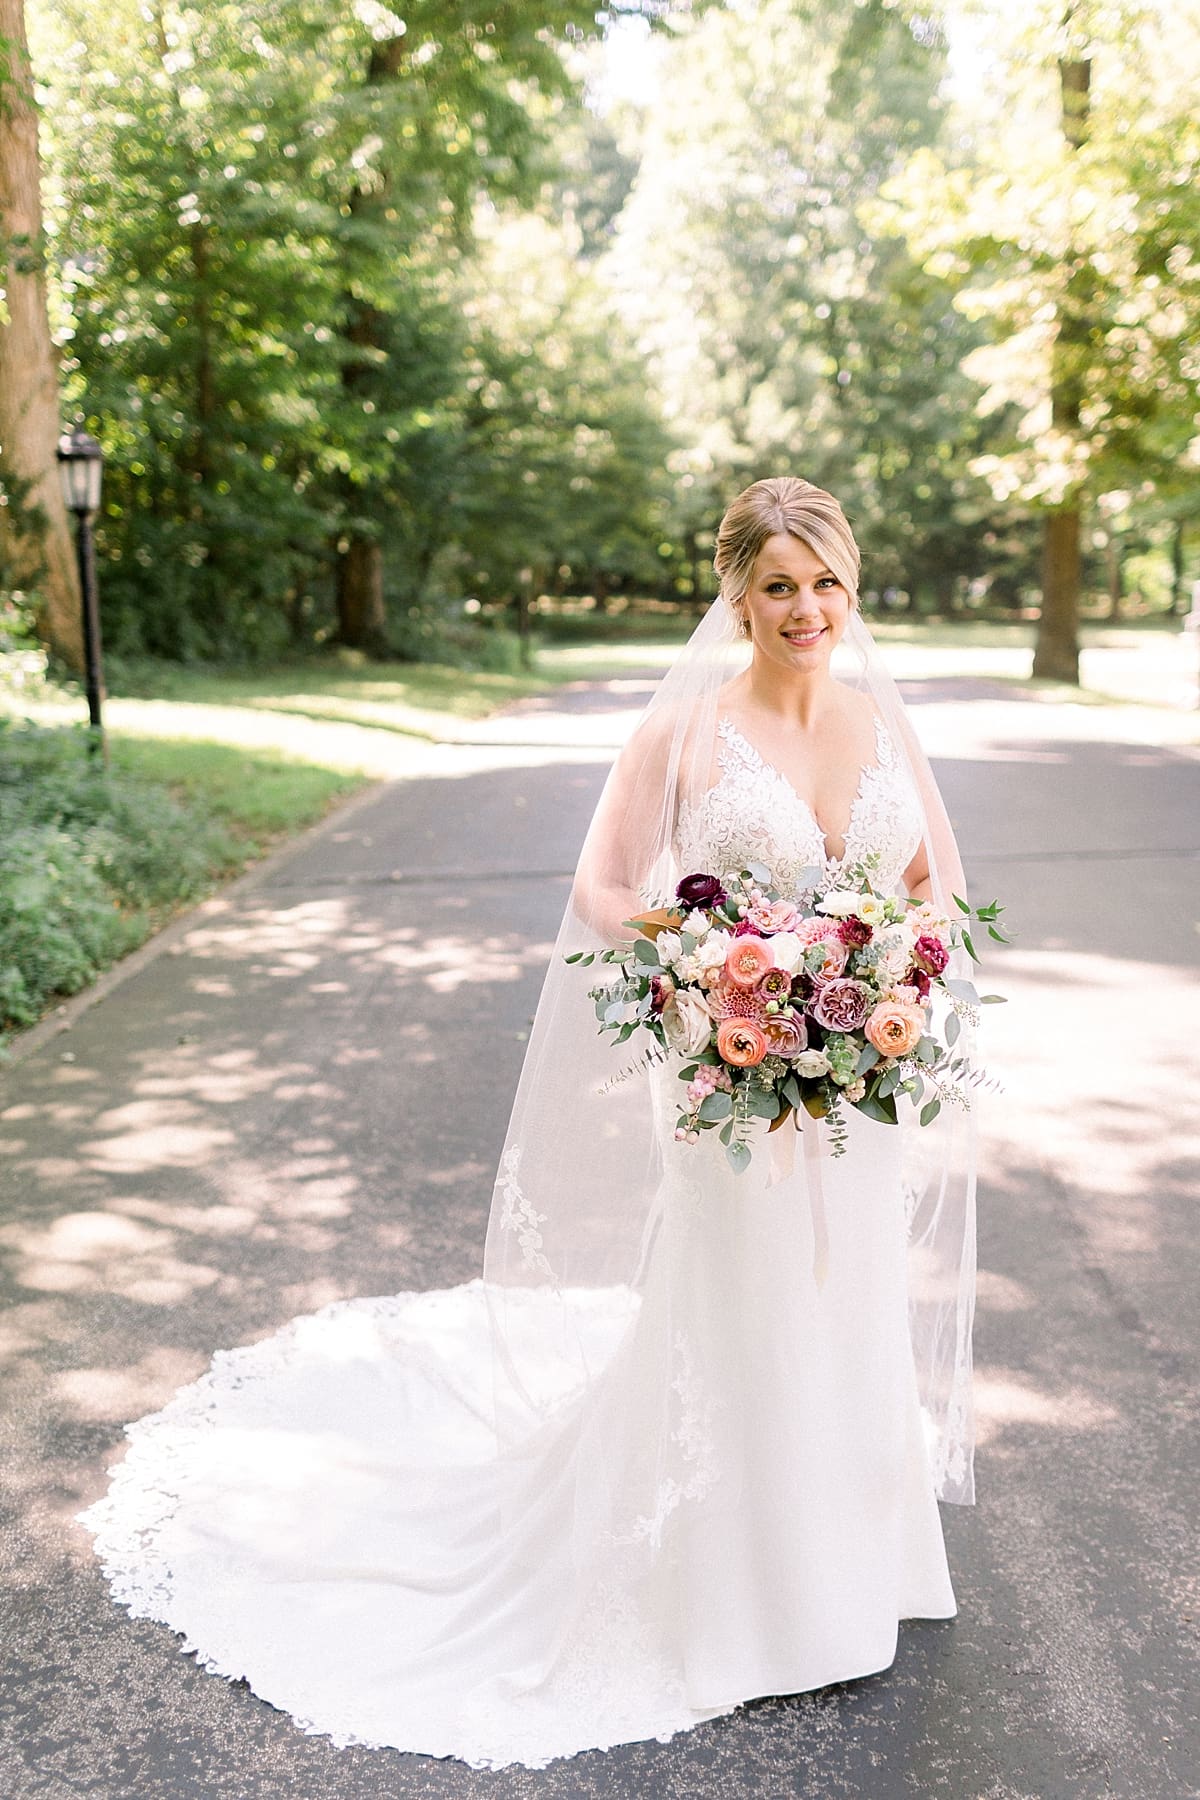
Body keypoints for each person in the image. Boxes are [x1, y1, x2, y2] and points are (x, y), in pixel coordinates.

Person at [80, 476, 978, 1771]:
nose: (807, 608)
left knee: (847, 1293)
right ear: (734, 592)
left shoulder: (885, 723)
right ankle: (738, 1591)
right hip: (725, 1065)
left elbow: (936, 892)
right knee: (747, 1293)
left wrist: (884, 973)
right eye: (780, 583)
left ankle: (853, 1567)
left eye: (827, 581)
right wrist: (720, 960)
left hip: (856, 1070)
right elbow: (605, 886)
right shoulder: (683, 733)